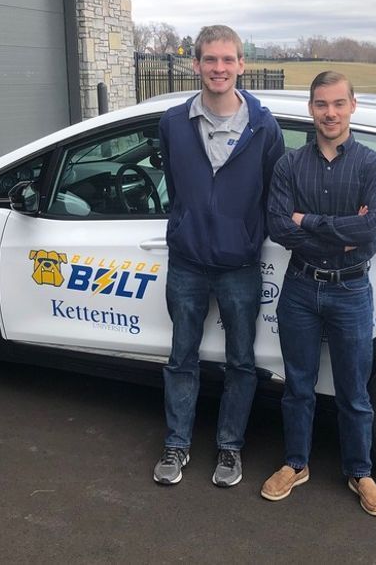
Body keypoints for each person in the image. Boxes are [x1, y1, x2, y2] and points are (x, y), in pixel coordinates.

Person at [153, 25, 285, 487]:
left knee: (241, 363)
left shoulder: (265, 127)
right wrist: (185, 225)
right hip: (187, 262)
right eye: (210, 60)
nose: (219, 68)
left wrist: (248, 234)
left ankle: (230, 449)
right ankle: (177, 443)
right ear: (196, 64)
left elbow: (273, 193)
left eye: (228, 60)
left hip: (240, 266)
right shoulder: (172, 122)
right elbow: (175, 183)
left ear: (241, 65)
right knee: (181, 359)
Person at [261, 71, 376, 516]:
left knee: (353, 390)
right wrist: (339, 230)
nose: (330, 113)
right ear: (310, 109)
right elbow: (278, 227)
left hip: (351, 290)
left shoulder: (374, 165)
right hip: (299, 287)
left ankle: (360, 472)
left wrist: (308, 221)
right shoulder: (289, 165)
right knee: (297, 385)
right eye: (321, 104)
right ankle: (296, 464)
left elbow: (370, 227)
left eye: (338, 104)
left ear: (353, 105)